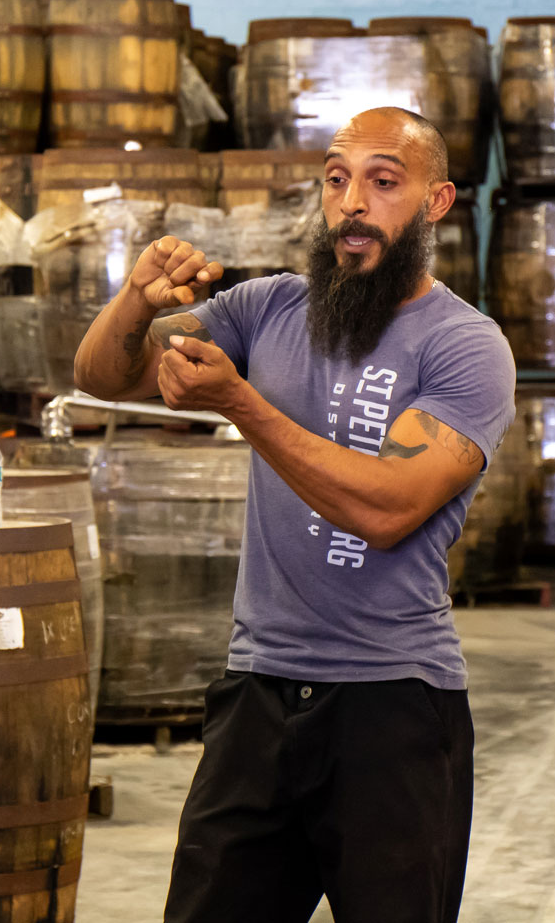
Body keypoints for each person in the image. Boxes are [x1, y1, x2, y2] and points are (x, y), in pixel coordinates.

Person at [74, 106, 516, 923]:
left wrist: (241, 404)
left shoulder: (464, 345)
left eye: (385, 182)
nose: (354, 202)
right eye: (338, 179)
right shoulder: (266, 308)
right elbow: (106, 374)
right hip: (259, 695)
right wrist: (135, 301)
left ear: (437, 202)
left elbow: (385, 509)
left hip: (391, 704)